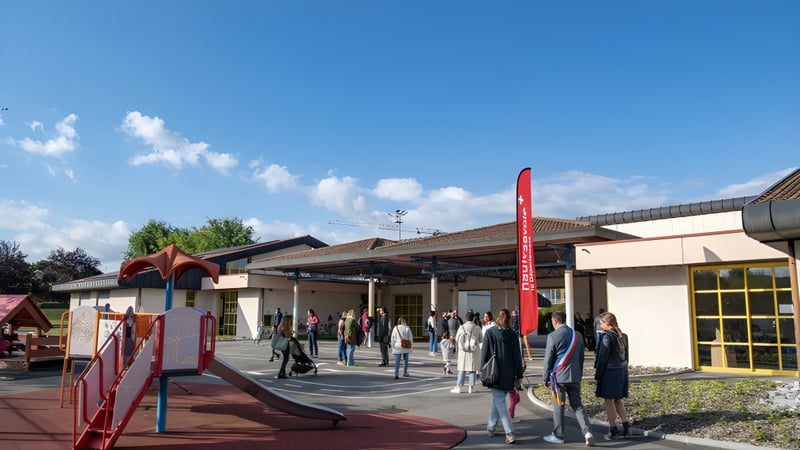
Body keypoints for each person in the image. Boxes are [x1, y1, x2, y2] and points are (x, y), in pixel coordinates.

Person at [542, 310, 595, 446]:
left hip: (559, 378)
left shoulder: (552, 336)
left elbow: (548, 359)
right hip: (575, 375)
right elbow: (581, 358)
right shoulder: (577, 335)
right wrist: (579, 373)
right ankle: (587, 432)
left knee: (559, 406)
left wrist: (545, 377)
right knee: (578, 406)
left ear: (554, 321)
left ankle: (558, 435)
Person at [481, 308, 524, 445]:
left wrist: (482, 370)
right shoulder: (512, 334)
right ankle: (491, 427)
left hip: (494, 372)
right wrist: (519, 375)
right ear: (509, 320)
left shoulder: (489, 333)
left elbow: (484, 354)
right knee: (498, 400)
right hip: (509, 373)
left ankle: (509, 432)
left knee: (499, 401)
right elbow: (517, 357)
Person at [594, 311, 630, 439]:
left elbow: (602, 358)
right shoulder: (623, 336)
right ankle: (626, 427)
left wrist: (598, 374)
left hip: (609, 372)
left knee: (609, 401)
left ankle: (613, 429)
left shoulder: (606, 337)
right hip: (621, 370)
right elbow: (627, 356)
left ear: (606, 324)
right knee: (618, 399)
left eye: (601, 323)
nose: (600, 326)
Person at [451, 310, 483, 394]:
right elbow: (480, 339)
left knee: (462, 368)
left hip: (463, 351)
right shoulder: (477, 328)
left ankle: (459, 387)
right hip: (473, 351)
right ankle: (471, 387)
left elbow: (457, 339)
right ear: (473, 319)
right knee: (472, 369)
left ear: (466, 318)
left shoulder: (461, 327)